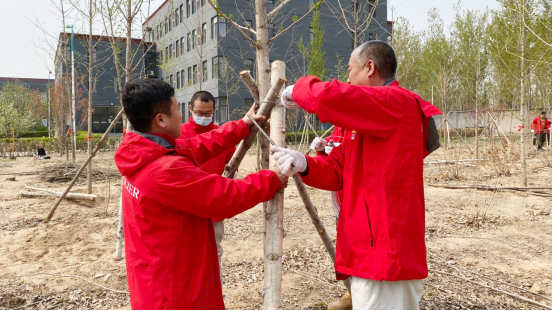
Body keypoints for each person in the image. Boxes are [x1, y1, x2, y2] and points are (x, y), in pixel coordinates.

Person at [272, 41, 442, 310]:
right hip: (367, 250)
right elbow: (340, 172)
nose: (347, 78)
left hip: (385, 255)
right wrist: (305, 164)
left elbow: (331, 97)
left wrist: (299, 89)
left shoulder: (397, 102)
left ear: (370, 68)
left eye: (350, 70)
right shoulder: (368, 119)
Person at [114, 79, 288, 310]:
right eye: (177, 108)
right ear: (161, 119)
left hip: (155, 277)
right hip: (174, 293)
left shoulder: (141, 150)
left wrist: (242, 126)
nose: (180, 114)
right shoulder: (164, 171)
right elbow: (225, 196)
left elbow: (197, 146)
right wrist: (272, 178)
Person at [179, 91, 233, 287]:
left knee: (214, 252)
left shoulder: (221, 135)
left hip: (213, 204)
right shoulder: (178, 133)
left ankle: (217, 296)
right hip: (186, 206)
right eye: (199, 113)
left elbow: (230, 164)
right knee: (186, 252)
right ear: (190, 110)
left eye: (208, 113)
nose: (203, 117)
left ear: (214, 111)